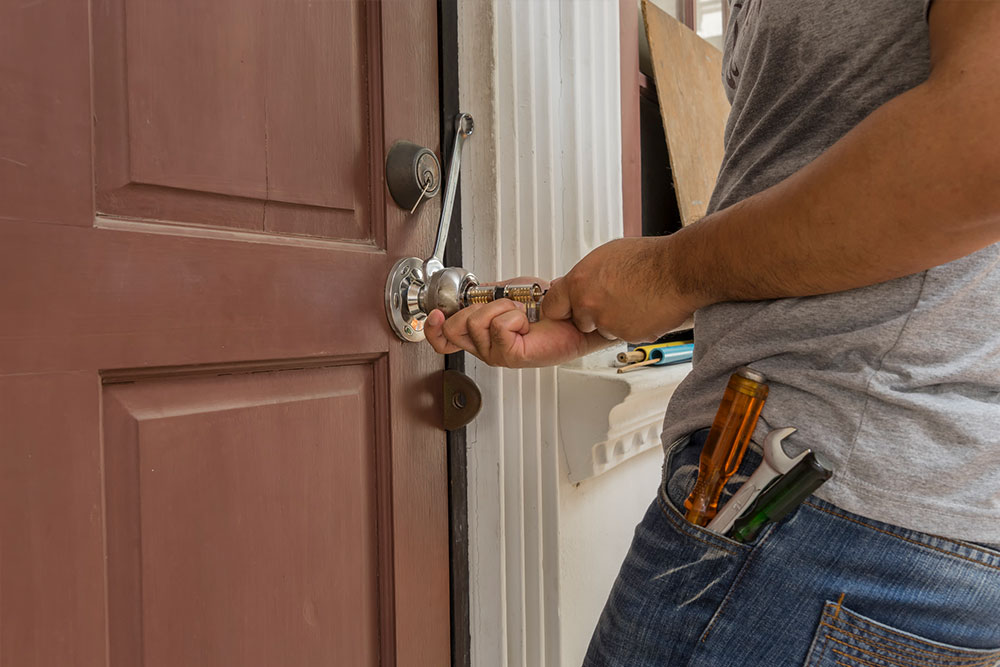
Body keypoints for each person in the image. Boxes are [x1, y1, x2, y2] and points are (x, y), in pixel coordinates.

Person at [427, 0, 1000, 664]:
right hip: (875, 524)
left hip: (817, 517)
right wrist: (610, 310)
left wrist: (670, 272)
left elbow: (981, 144)